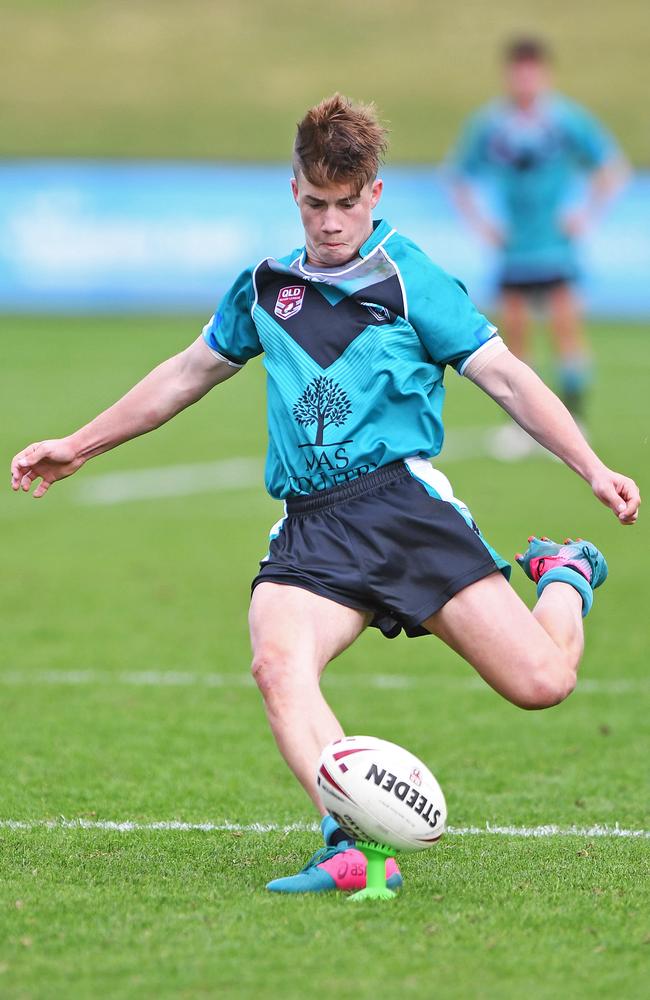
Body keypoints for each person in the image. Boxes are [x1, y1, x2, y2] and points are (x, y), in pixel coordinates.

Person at [11, 94, 640, 895]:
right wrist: (80, 442)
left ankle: (566, 575)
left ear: (374, 193)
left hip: (404, 509)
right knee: (278, 663)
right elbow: (187, 373)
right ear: (295, 190)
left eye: (347, 204)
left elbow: (509, 378)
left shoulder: (410, 279)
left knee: (542, 685)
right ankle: (346, 845)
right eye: (316, 203)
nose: (332, 222)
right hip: (312, 528)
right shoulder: (266, 286)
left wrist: (589, 464)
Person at [450, 36, 628, 450]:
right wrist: (483, 224)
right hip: (514, 249)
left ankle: (575, 417)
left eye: (532, 72)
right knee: (513, 339)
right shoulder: (491, 125)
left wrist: (585, 215)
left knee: (566, 331)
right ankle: (519, 427)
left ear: (544, 75)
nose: (525, 80)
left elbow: (612, 168)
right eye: (518, 72)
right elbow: (458, 176)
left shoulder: (565, 121)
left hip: (555, 247)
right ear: (509, 76)